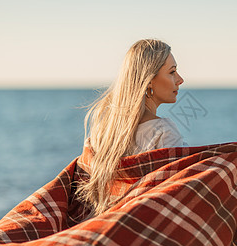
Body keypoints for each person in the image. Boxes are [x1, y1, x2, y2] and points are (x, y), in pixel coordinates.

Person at [77, 39, 186, 218]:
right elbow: (177, 195)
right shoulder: (163, 132)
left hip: (102, 226)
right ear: (149, 81)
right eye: (172, 72)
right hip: (140, 231)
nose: (180, 80)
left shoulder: (103, 132)